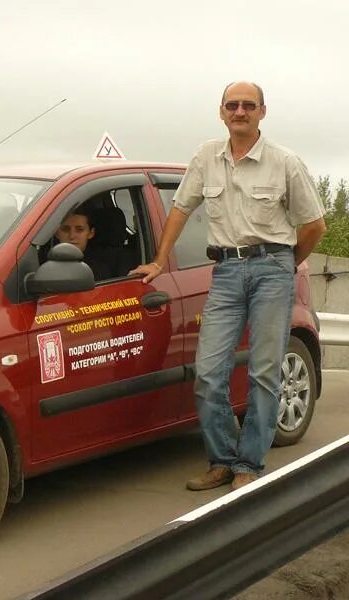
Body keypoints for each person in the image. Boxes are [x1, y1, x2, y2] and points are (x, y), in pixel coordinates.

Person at [130, 81, 326, 491]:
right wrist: (159, 260)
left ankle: (249, 465)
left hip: (272, 268)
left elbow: (314, 225)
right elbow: (181, 209)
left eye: (248, 105)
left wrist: (288, 263)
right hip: (225, 273)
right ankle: (221, 459)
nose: (240, 111)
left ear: (262, 112)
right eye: (232, 105)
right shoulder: (206, 157)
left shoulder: (285, 162)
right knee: (209, 373)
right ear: (221, 112)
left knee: (265, 373)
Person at [55, 204, 110, 280]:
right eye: (65, 229)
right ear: (57, 233)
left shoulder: (100, 269)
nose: (72, 236)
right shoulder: (38, 263)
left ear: (91, 233)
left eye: (79, 230)